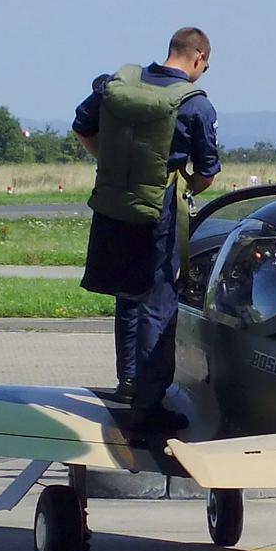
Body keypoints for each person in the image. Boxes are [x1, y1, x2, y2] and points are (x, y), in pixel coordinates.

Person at [73, 27, 220, 431]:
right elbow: (206, 173)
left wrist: (115, 165)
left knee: (127, 292)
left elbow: (82, 127)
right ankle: (148, 405)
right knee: (158, 301)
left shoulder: (118, 85)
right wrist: (184, 183)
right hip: (157, 213)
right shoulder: (194, 105)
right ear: (198, 57)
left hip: (111, 205)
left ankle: (127, 381)